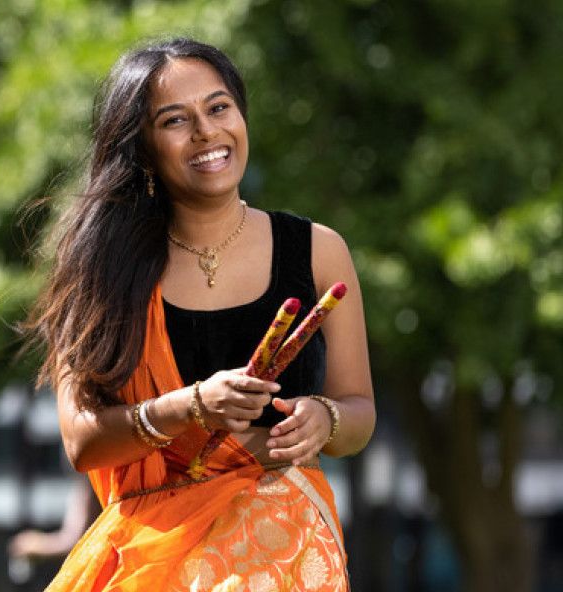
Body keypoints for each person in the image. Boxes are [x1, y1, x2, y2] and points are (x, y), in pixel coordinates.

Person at [24, 37, 375, 591]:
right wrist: (189, 407)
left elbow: (359, 413)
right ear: (141, 146)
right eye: (174, 120)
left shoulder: (317, 250)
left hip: (289, 560)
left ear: (241, 115)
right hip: (157, 566)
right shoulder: (99, 266)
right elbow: (82, 440)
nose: (206, 132)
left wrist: (325, 418)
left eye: (218, 108)